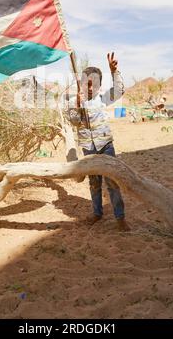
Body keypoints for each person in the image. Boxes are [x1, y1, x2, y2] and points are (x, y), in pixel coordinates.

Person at [68, 52, 130, 231]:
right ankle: (97, 213)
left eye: (93, 85)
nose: (89, 88)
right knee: (94, 182)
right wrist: (78, 106)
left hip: (106, 146)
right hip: (88, 148)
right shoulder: (74, 101)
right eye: (86, 84)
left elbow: (119, 90)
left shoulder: (102, 99)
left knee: (112, 182)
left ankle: (120, 217)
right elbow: (73, 121)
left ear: (99, 86)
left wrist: (114, 72)